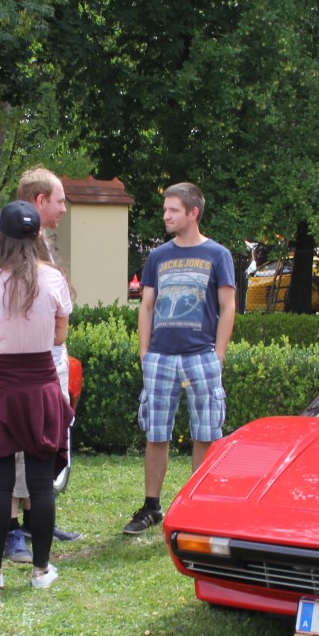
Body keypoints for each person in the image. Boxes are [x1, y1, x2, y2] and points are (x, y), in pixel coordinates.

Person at [0, 200, 73, 591]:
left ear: (2, 238)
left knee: (1, 483)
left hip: (1, 390)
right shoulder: (54, 278)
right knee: (41, 483)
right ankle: (41, 571)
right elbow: (60, 335)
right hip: (41, 386)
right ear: (37, 235)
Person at [123, 182, 236, 535]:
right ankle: (151, 506)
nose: (166, 215)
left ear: (193, 213)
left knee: (206, 432)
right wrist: (145, 353)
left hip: (201, 357)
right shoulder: (158, 256)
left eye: (173, 210)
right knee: (156, 434)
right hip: (161, 358)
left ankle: (197, 506)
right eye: (165, 209)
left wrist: (218, 354)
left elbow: (228, 305)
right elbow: (147, 305)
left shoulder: (218, 255)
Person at [0, 167, 81, 557]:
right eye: (59, 201)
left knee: (40, 447)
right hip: (22, 372)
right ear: (39, 202)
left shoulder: (38, 242)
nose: (63, 209)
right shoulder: (2, 253)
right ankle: (10, 533)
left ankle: (37, 521)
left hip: (45, 364)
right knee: (16, 451)